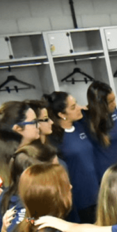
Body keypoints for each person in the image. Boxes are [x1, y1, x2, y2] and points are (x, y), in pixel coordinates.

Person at [44, 91, 99, 223]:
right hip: (78, 199)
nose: (79, 108)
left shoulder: (81, 126)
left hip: (95, 192)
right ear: (62, 114)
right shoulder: (54, 139)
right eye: (73, 107)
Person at [84, 81, 117, 181]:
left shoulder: (115, 112)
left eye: (114, 100)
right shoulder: (86, 119)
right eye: (110, 102)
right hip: (105, 175)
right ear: (99, 104)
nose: (114, 104)